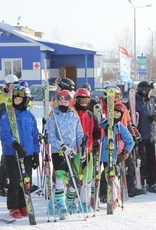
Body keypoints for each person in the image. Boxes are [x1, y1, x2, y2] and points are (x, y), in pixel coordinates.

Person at [0, 86, 40, 219]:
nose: (17, 101)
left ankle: (23, 204)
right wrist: (15, 145)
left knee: (26, 180)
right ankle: (13, 206)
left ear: (26, 100)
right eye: (15, 99)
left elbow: (35, 136)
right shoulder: (7, 115)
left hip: (27, 154)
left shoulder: (30, 117)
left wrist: (36, 154)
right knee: (15, 180)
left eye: (20, 99)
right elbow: (4, 134)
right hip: (13, 154)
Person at [46, 90, 84, 218]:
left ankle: (69, 200)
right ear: (57, 101)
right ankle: (59, 202)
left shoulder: (74, 117)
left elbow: (79, 134)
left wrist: (82, 146)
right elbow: (51, 136)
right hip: (59, 152)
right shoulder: (53, 117)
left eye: (65, 101)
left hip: (72, 151)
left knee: (74, 177)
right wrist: (61, 146)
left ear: (69, 102)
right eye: (60, 101)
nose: (63, 103)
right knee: (60, 176)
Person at [72, 88, 103, 213]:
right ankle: (71, 203)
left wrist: (98, 135)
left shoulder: (91, 116)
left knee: (87, 178)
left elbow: (97, 130)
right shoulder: (72, 114)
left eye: (86, 100)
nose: (83, 103)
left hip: (88, 150)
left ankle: (85, 202)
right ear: (76, 100)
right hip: (74, 151)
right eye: (81, 100)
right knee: (73, 178)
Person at [133, 81, 156, 193]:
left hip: (151, 137)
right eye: (149, 90)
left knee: (151, 161)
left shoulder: (151, 102)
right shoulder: (135, 103)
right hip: (141, 137)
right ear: (145, 91)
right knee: (141, 162)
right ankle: (140, 182)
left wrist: (155, 117)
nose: (151, 92)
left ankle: (151, 183)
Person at [0, 74, 20, 197]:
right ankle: (2, 183)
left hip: (18, 129)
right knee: (7, 155)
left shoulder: (18, 94)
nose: (13, 88)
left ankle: (17, 181)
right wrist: (7, 100)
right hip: (5, 130)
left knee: (18, 155)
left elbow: (28, 106)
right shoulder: (2, 96)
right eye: (11, 85)